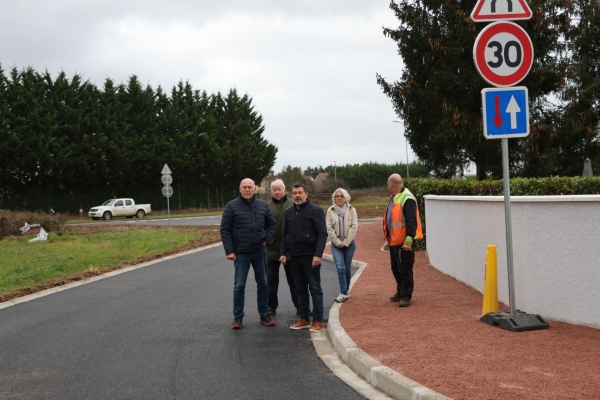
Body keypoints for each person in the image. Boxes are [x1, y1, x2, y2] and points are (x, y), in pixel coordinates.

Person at [220, 178, 277, 329]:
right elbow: (225, 229)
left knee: (263, 283)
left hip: (259, 250)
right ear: (240, 189)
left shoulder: (262, 206)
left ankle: (264, 314)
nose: (247, 190)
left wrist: (267, 238)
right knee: (239, 285)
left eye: (250, 187)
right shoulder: (231, 207)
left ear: (255, 189)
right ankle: (238, 316)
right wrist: (230, 250)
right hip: (240, 253)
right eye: (244, 187)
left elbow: (272, 224)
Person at [279, 183, 328, 332]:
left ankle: (318, 320)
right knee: (299, 288)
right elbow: (285, 234)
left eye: (300, 192)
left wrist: (318, 255)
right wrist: (282, 253)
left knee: (315, 288)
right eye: (294, 193)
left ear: (306, 194)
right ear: (291, 195)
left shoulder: (315, 210)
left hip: (310, 256)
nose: (297, 195)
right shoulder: (289, 212)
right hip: (294, 256)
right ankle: (305, 318)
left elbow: (322, 234)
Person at [383, 173, 423, 307]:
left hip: (403, 242)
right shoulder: (395, 197)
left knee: (405, 269)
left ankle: (406, 295)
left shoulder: (407, 198)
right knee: (395, 268)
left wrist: (408, 241)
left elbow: (411, 222)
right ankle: (400, 292)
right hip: (395, 240)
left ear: (391, 184)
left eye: (388, 184)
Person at [266, 179, 298, 316]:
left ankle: (300, 306)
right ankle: (271, 307)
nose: (277, 192)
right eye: (274, 190)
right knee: (270, 281)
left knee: (295, 281)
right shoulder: (266, 207)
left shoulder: (293, 204)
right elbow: (262, 226)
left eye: (280, 189)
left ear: (285, 190)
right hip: (271, 250)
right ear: (271, 191)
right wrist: (265, 239)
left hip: (290, 251)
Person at [326, 188, 358, 303]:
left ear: (346, 198)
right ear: (334, 198)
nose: (339, 198)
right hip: (336, 245)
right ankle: (343, 292)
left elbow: (354, 227)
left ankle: (345, 290)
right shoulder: (330, 211)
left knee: (347, 269)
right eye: (337, 196)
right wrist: (338, 243)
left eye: (341, 196)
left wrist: (345, 243)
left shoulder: (352, 210)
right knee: (340, 268)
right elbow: (329, 229)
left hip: (349, 244)